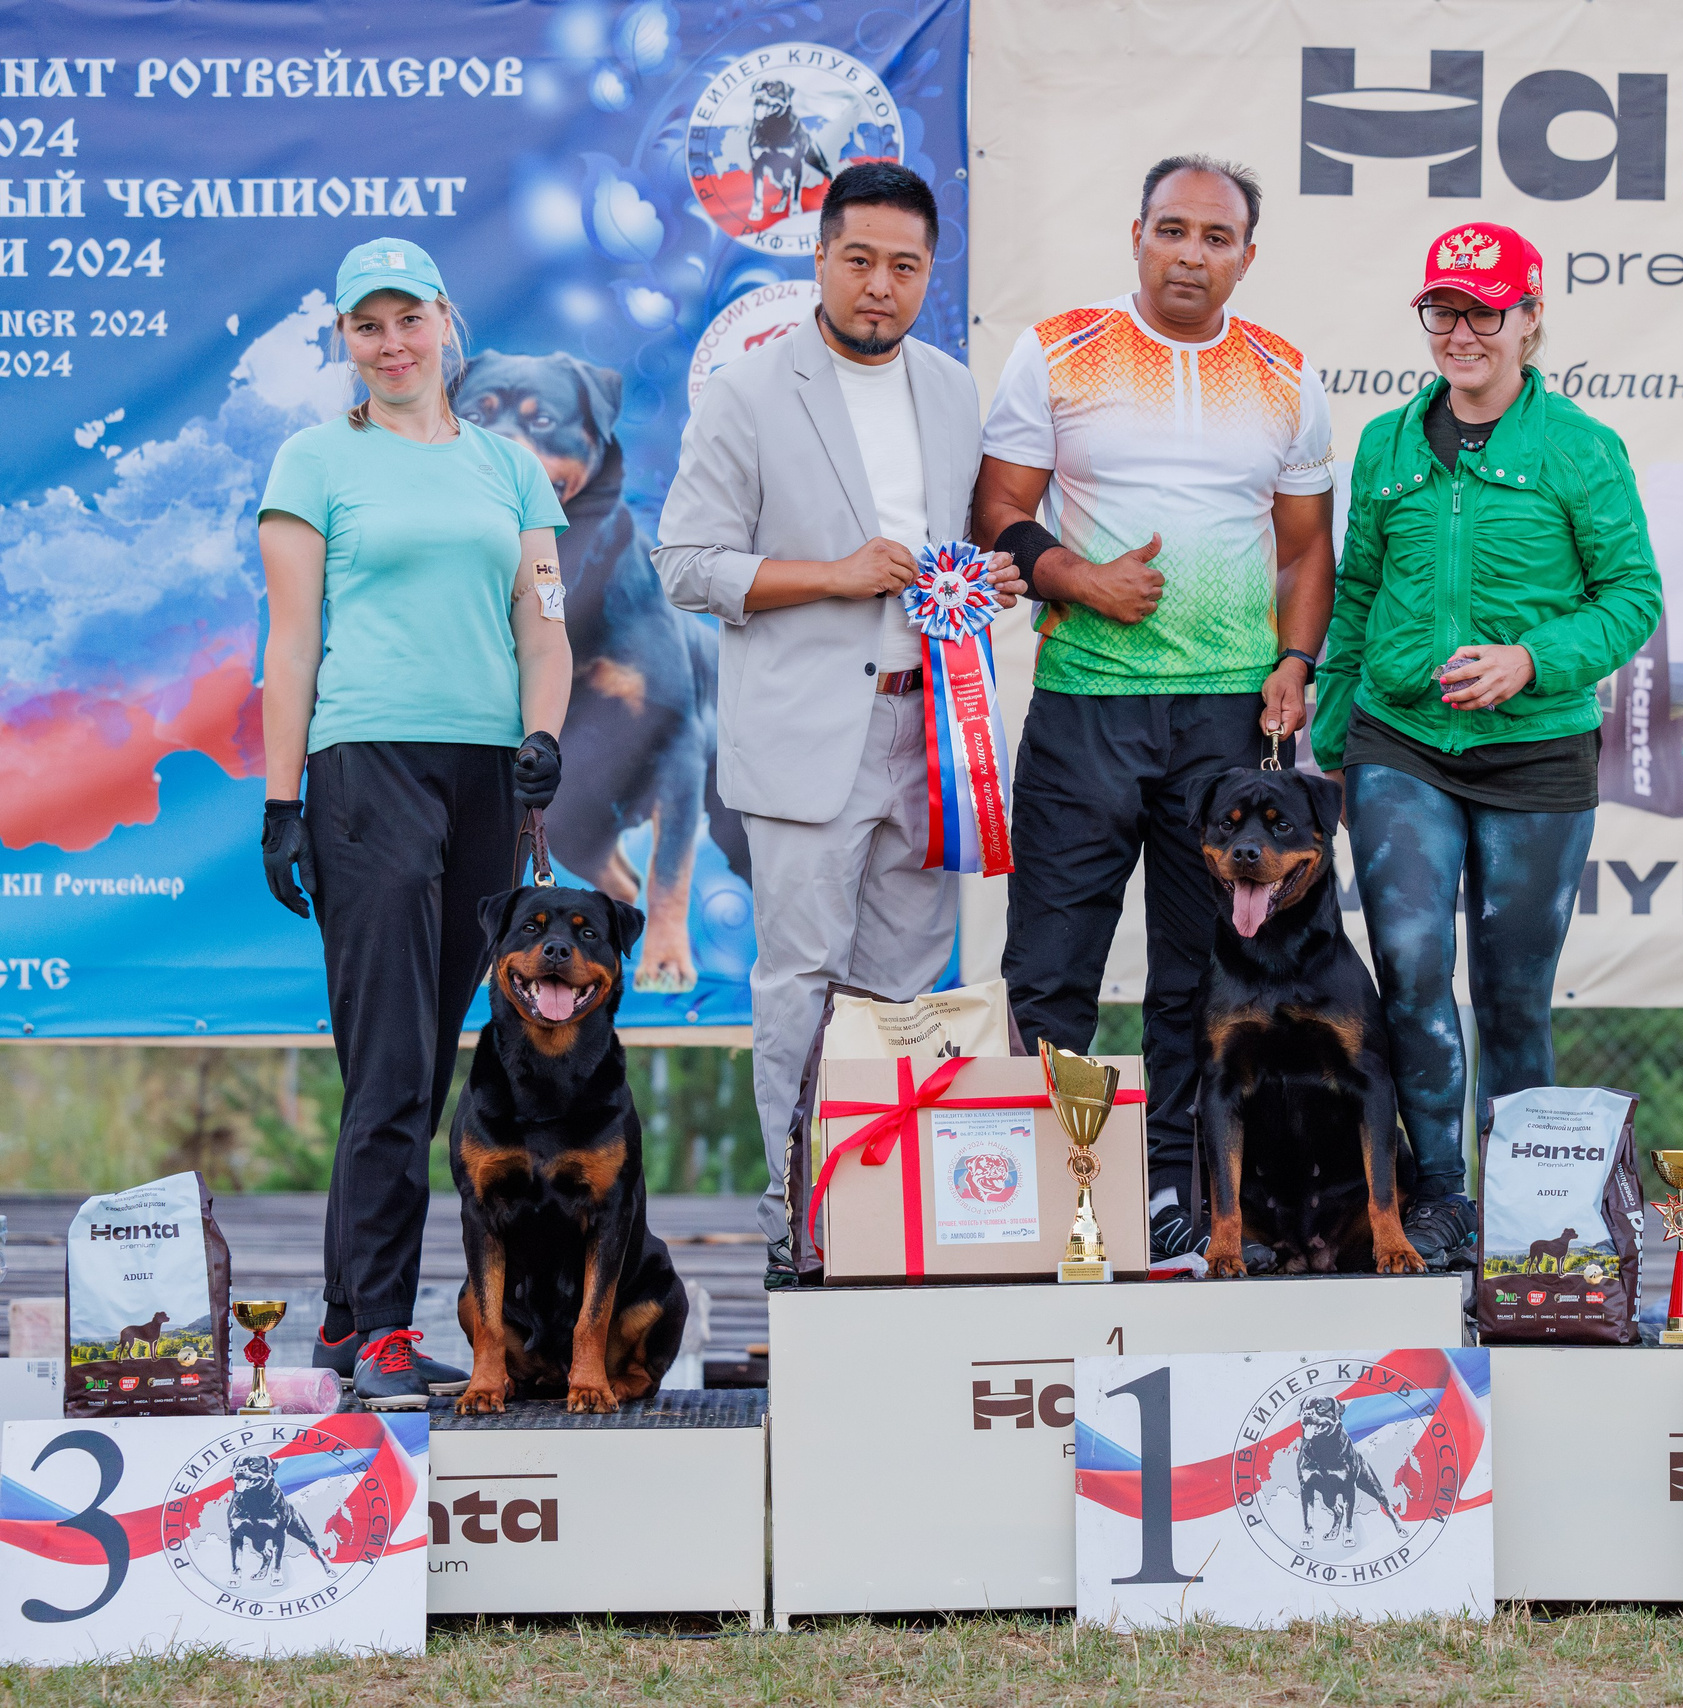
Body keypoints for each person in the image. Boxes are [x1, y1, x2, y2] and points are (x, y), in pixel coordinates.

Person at [655, 163, 1022, 1286]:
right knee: (800, 988)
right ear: (817, 258)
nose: (879, 286)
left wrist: (991, 583)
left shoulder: (957, 390)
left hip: (937, 733)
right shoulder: (750, 394)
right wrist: (834, 574)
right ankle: (796, 1225)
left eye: (904, 266)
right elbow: (685, 565)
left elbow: (955, 550)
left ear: (928, 275)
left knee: (909, 995)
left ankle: (896, 1221)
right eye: (858, 260)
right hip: (810, 735)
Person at [973, 155, 1335, 1260]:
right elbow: (998, 510)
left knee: (1198, 970)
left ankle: (1175, 1191)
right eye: (1171, 230)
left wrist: (1295, 658)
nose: (1190, 253)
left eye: (1215, 237)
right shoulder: (1058, 348)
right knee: (1050, 965)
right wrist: (1080, 581)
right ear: (1135, 235)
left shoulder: (1282, 371)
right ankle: (1046, 1192)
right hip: (1086, 704)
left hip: (1226, 722)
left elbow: (1307, 544)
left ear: (1245, 257)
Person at [1308, 222, 1663, 1267]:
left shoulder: (1581, 449)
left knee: (1512, 995)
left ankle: (1524, 1212)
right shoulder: (1383, 443)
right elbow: (1359, 591)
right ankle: (1441, 1198)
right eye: (1443, 310)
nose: (1461, 332)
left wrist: (1531, 658)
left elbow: (1631, 597)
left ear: (1528, 319)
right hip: (1398, 739)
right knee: (1412, 966)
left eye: (1484, 311)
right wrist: (1334, 738)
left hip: (1535, 752)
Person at [256, 236, 572, 1408]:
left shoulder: (509, 468)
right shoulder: (315, 459)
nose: (391, 345)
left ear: (448, 319)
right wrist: (284, 798)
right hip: (365, 766)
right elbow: (290, 644)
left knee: (436, 1058)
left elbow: (543, 620)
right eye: (366, 326)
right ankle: (382, 1328)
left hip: (486, 772)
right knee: (389, 1063)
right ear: (346, 339)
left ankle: (347, 1315)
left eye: (408, 319)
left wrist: (542, 732)